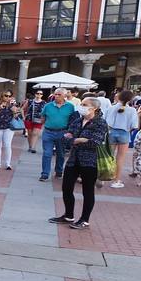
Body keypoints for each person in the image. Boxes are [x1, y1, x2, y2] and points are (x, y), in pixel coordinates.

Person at [48, 96, 108, 229]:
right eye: (81, 103)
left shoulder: (100, 123)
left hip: (90, 161)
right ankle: (68, 215)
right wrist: (79, 139)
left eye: (85, 104)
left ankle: (84, 219)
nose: (81, 106)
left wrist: (77, 139)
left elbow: (95, 142)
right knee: (67, 187)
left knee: (88, 191)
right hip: (73, 159)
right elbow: (66, 138)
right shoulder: (77, 121)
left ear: (94, 108)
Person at [38, 88, 76, 181]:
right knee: (47, 153)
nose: (56, 96)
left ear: (64, 96)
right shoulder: (48, 106)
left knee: (61, 153)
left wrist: (70, 132)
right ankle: (45, 174)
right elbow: (43, 117)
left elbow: (73, 119)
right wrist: (41, 126)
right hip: (48, 132)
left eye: (59, 94)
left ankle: (59, 171)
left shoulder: (70, 106)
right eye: (55, 94)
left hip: (62, 132)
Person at [105, 91, 139, 189]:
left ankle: (102, 178)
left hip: (111, 132)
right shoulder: (132, 110)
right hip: (124, 133)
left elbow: (105, 120)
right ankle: (116, 180)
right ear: (130, 99)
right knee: (120, 158)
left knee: (108, 156)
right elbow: (134, 125)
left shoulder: (111, 108)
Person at [0, 90, 20, 169]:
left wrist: (15, 112)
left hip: (9, 127)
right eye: (6, 96)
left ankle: (8, 164)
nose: (8, 97)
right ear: (2, 96)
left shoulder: (12, 104)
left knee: (7, 144)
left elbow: (16, 117)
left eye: (9, 96)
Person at [23, 89, 46, 153]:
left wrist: (44, 119)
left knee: (35, 134)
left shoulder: (44, 102)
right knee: (30, 134)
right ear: (35, 94)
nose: (39, 95)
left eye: (41, 94)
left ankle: (33, 148)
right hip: (29, 119)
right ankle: (30, 146)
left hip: (39, 120)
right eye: (38, 93)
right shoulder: (30, 101)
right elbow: (22, 109)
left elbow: (45, 112)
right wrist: (23, 117)